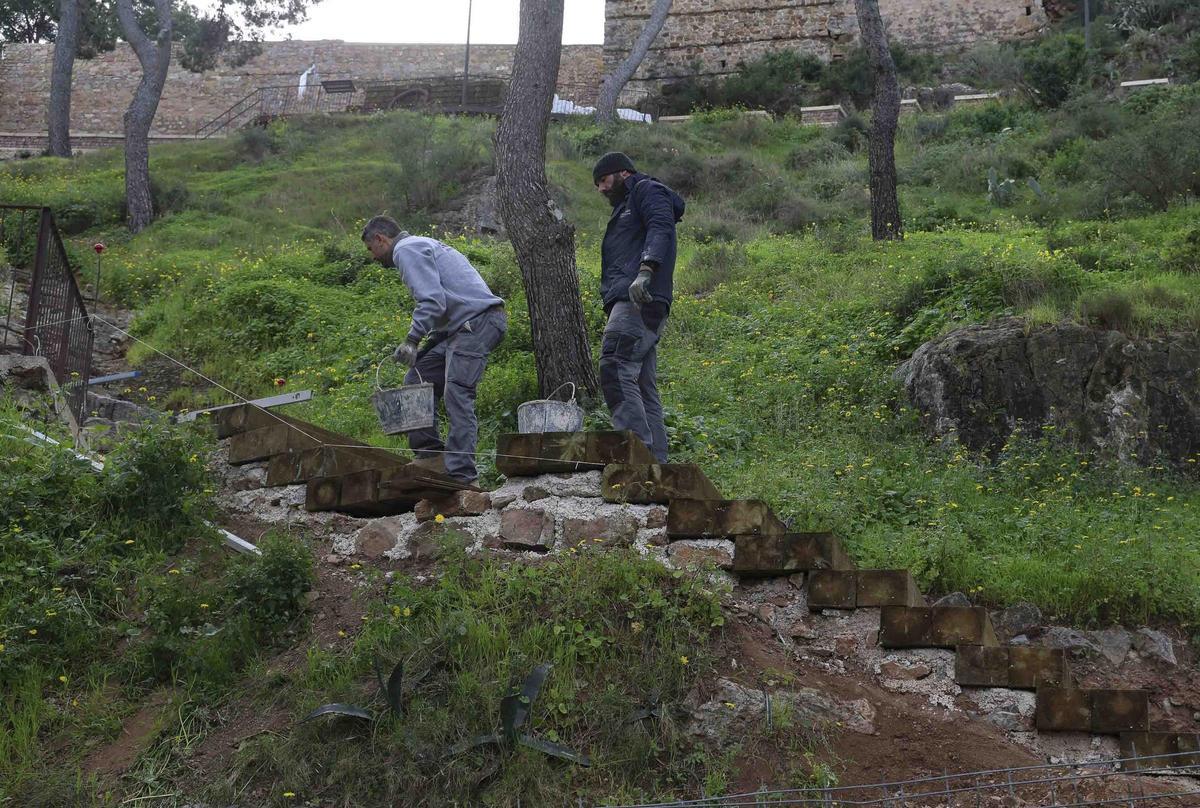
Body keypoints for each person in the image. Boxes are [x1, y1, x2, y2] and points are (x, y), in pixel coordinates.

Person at [362, 216, 506, 484]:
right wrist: (427, 346)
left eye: (371, 249)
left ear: (381, 239)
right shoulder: (421, 244)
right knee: (417, 376)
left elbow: (433, 301)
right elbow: (445, 300)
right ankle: (431, 458)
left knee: (457, 393)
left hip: (478, 322)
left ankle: (463, 475)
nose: (373, 257)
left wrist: (412, 339)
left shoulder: (405, 250)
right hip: (459, 327)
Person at [592, 151, 685, 464]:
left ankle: (636, 460)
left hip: (639, 298)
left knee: (615, 365)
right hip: (637, 299)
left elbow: (661, 227)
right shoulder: (626, 204)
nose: (601, 189)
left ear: (623, 173)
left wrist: (646, 271)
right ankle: (656, 465)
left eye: (603, 181)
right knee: (643, 385)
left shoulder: (647, 190)